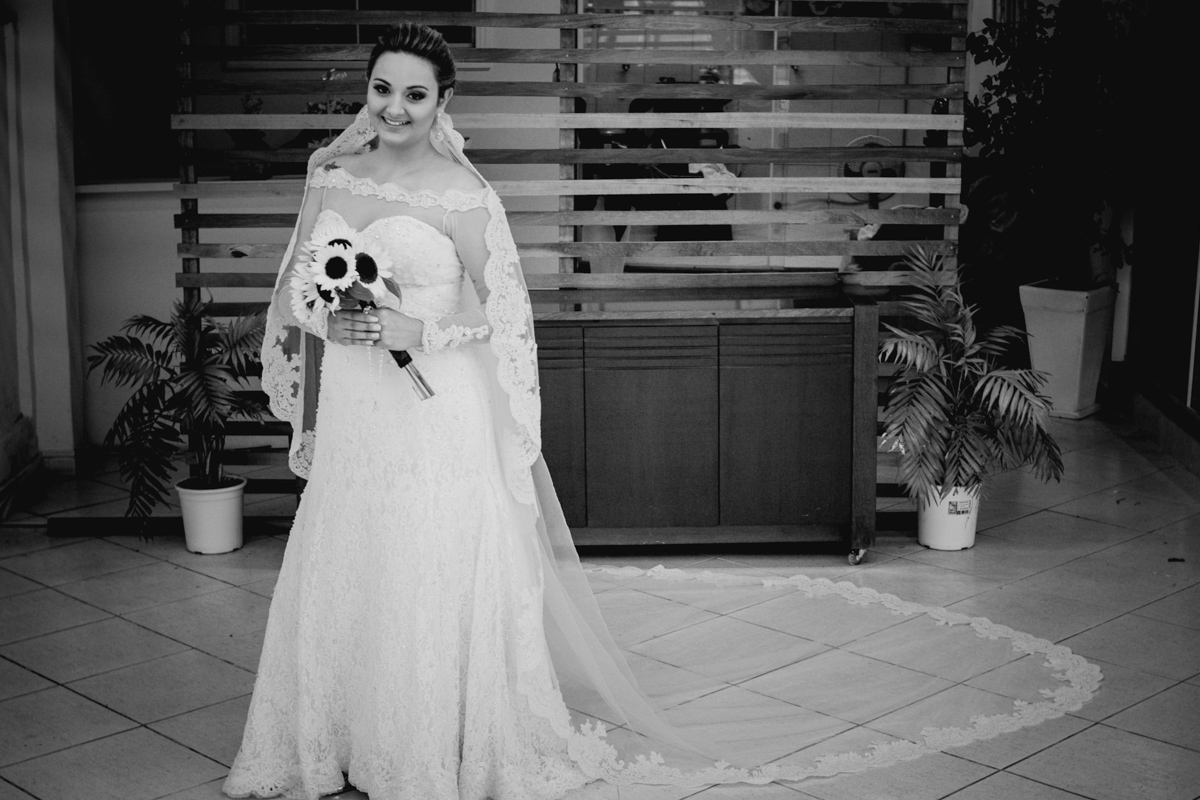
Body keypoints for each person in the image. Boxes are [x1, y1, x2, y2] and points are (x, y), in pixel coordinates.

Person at [224, 22, 1100, 800]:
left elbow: (502, 317)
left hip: (435, 412)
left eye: (415, 94)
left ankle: (425, 744)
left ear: (443, 102)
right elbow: (299, 297)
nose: (394, 108)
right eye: (383, 88)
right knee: (354, 555)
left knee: (427, 563)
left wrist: (419, 326)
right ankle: (338, 733)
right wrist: (336, 317)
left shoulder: (463, 194)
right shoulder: (331, 178)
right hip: (361, 411)